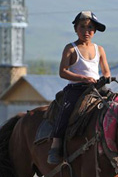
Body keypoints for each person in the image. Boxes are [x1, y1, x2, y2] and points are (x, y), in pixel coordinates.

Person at [47, 11, 111, 164]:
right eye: (82, 27)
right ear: (75, 29)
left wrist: (106, 77)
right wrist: (83, 78)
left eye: (90, 28)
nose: (86, 31)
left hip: (97, 88)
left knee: (115, 107)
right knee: (66, 110)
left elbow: (106, 69)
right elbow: (63, 72)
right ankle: (55, 145)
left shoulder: (99, 49)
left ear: (94, 31)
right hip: (76, 88)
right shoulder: (70, 48)